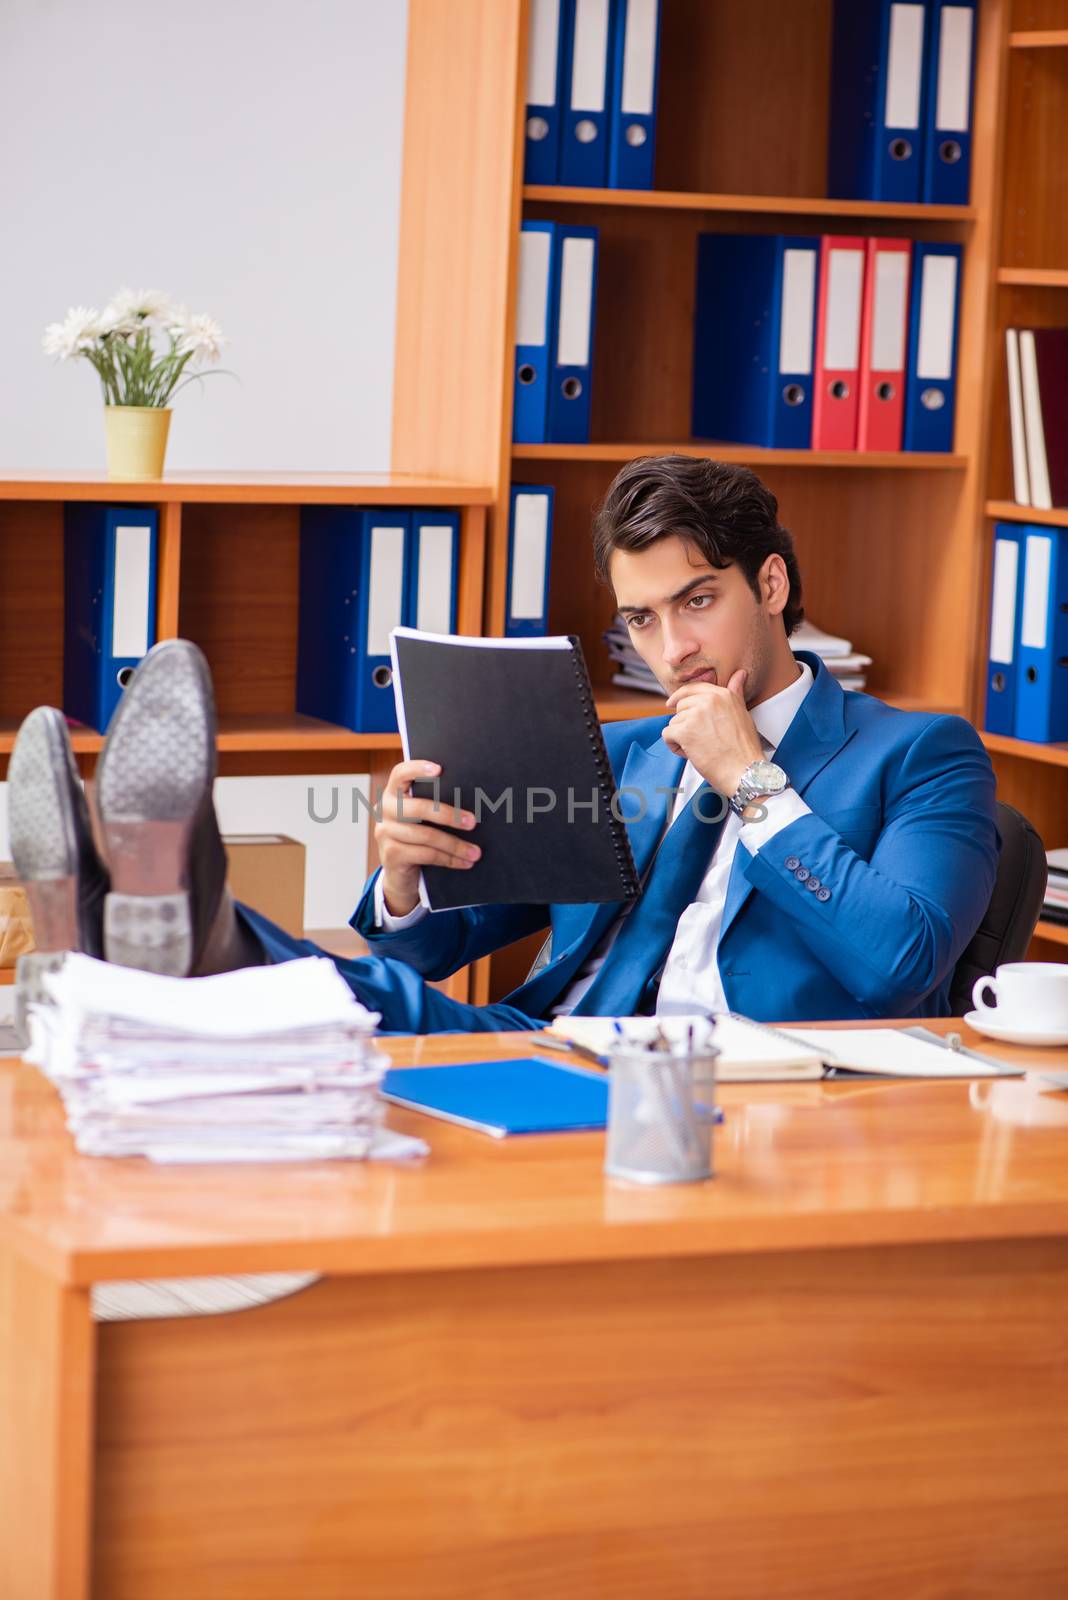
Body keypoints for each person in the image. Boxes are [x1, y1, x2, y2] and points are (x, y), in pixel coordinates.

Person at [9, 456, 999, 1032]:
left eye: (698, 601)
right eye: (643, 620)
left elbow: (899, 960)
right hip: (549, 1048)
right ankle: (140, 927)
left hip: (741, 1085)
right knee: (349, 997)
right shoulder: (626, 750)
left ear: (771, 586)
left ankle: (181, 926)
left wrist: (751, 779)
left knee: (311, 996)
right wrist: (405, 878)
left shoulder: (920, 754)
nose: (674, 648)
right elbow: (439, 949)